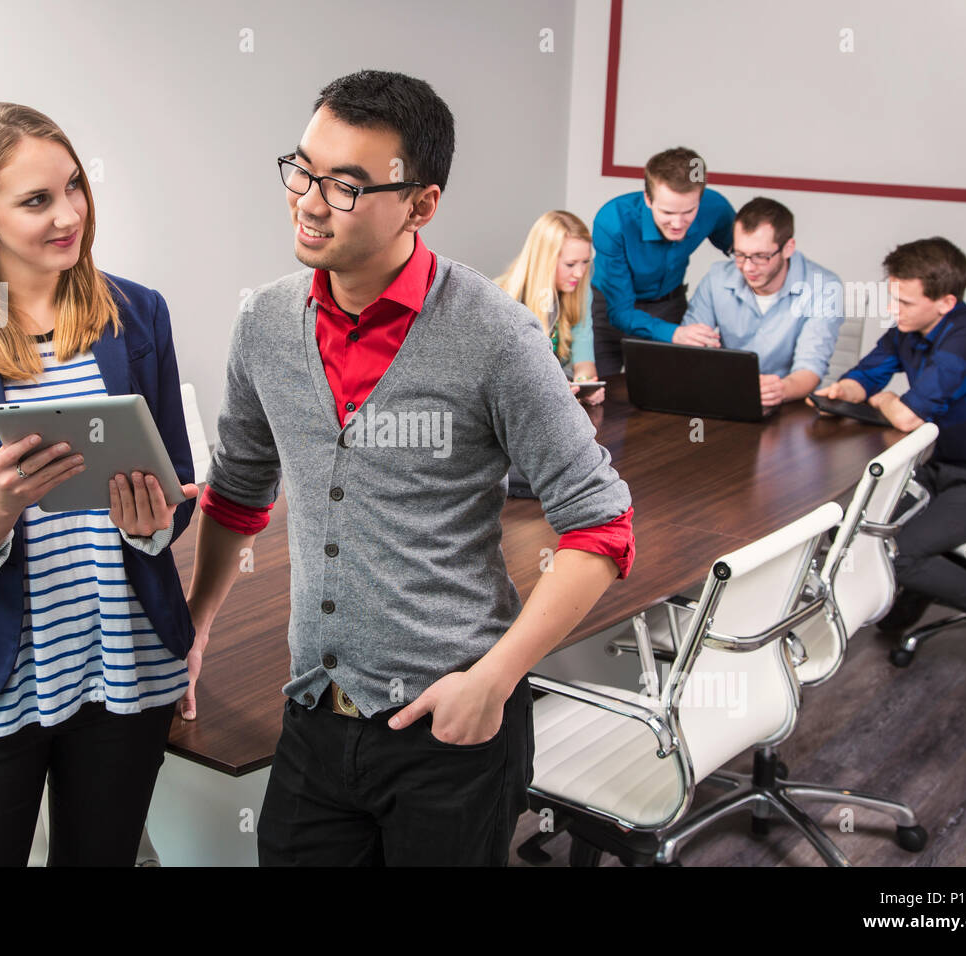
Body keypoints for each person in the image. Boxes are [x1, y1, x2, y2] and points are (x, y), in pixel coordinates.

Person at [182, 70, 635, 866]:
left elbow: (602, 529)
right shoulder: (263, 322)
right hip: (314, 719)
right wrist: (195, 625)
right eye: (304, 170)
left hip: (451, 732)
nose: (310, 201)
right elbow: (238, 491)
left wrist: (492, 682)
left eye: (347, 185)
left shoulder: (496, 336)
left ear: (421, 204)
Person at [0, 103, 199, 864]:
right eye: (36, 201)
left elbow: (175, 494)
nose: (70, 216)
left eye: (74, 188)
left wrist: (149, 519)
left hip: (123, 665)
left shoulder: (138, 313)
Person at [811, 237, 966, 691]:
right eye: (891, 296)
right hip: (943, 473)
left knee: (898, 552)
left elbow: (907, 415)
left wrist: (881, 398)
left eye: (904, 300)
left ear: (945, 303)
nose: (893, 308)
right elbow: (865, 376)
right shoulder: (909, 329)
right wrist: (844, 392)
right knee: (858, 525)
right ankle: (920, 585)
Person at [589, 146, 735, 379]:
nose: (678, 223)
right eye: (667, 212)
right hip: (610, 309)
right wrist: (675, 334)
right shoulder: (612, 221)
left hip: (669, 306)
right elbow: (621, 312)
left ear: (701, 196)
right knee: (597, 396)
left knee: (669, 390)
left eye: (689, 211)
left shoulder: (715, 207)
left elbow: (748, 253)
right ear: (648, 198)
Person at [682, 197, 844, 406]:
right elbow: (688, 350)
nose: (748, 267)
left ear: (788, 248)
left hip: (789, 405)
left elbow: (810, 368)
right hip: (724, 396)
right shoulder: (717, 278)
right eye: (740, 254)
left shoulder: (823, 287)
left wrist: (778, 391)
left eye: (760, 256)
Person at [496, 209, 605, 406]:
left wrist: (584, 383)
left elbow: (584, 355)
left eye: (585, 262)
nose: (580, 273)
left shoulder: (579, 290)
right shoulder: (503, 299)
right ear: (545, 261)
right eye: (570, 264)